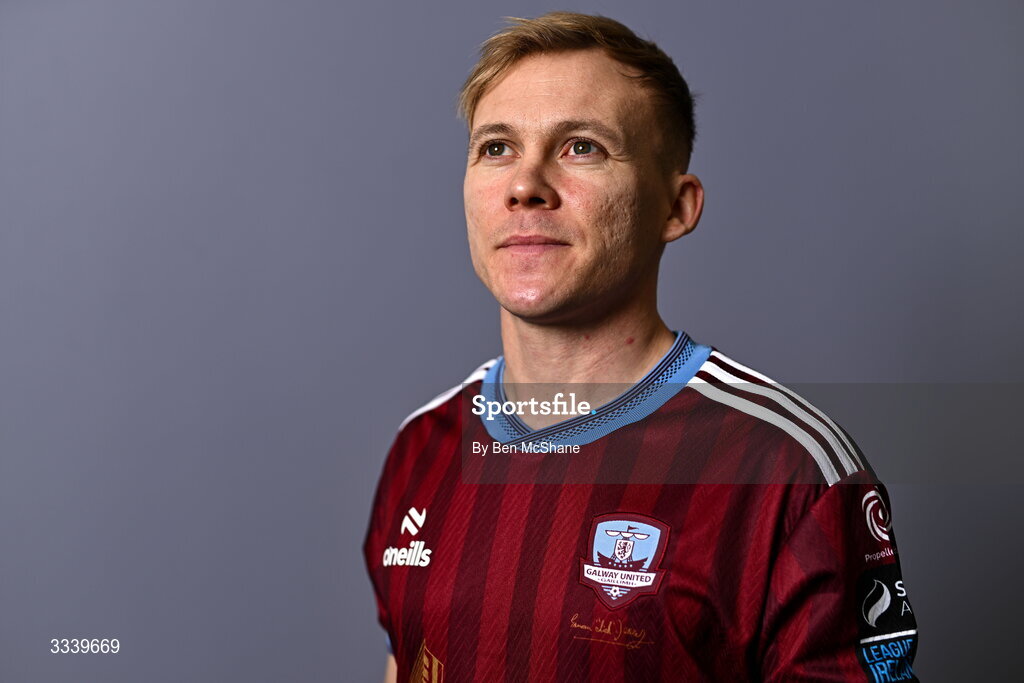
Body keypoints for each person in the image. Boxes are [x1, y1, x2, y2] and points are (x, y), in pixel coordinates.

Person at [363, 11, 917, 682]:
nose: (524, 185)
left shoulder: (789, 470)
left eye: (582, 147)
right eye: (496, 147)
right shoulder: (422, 447)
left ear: (676, 207)